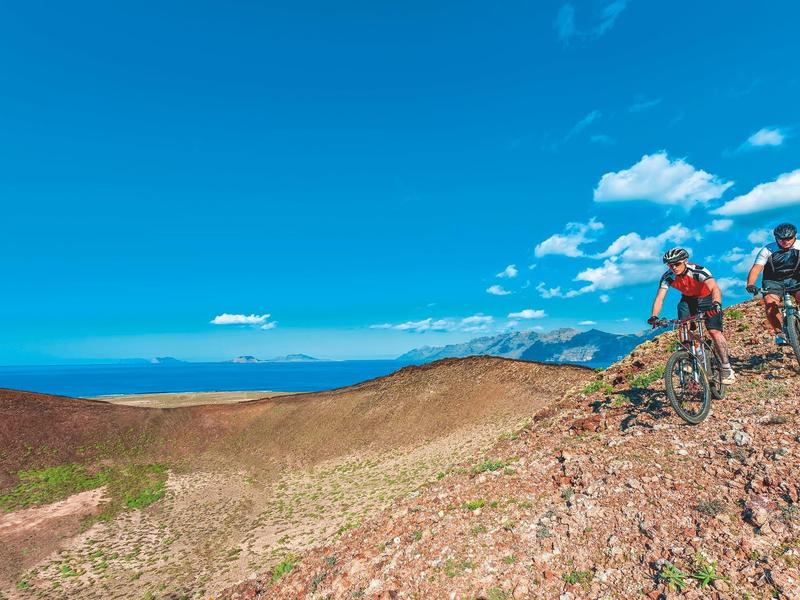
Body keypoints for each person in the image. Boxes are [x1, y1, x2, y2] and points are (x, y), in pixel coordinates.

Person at [647, 247, 736, 384]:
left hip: (707, 298)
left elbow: (715, 288)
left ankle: (726, 367)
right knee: (683, 325)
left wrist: (716, 304)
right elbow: (660, 297)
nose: (674, 268)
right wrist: (654, 316)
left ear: (685, 261)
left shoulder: (698, 271)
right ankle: (692, 354)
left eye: (677, 264)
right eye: (670, 265)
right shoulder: (668, 277)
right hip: (688, 300)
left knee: (714, 331)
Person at [745, 222, 800, 346]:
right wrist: (750, 284)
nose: (785, 241)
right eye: (781, 239)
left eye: (789, 238)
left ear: (794, 237)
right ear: (776, 238)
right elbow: (756, 268)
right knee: (770, 303)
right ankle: (780, 333)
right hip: (773, 281)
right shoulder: (767, 250)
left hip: (795, 278)